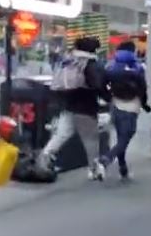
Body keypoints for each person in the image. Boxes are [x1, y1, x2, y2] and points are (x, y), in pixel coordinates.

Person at [40, 36, 109, 180]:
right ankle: (93, 170)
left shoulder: (69, 61)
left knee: (62, 134)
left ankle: (45, 156)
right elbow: (99, 86)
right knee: (90, 139)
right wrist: (108, 98)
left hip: (68, 105)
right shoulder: (91, 64)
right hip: (86, 108)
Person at [97, 41, 150, 180]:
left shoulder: (110, 66)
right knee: (125, 139)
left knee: (121, 138)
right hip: (131, 107)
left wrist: (109, 97)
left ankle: (123, 169)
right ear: (132, 51)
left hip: (115, 105)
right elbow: (142, 89)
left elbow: (102, 86)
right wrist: (145, 104)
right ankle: (105, 160)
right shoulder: (137, 68)